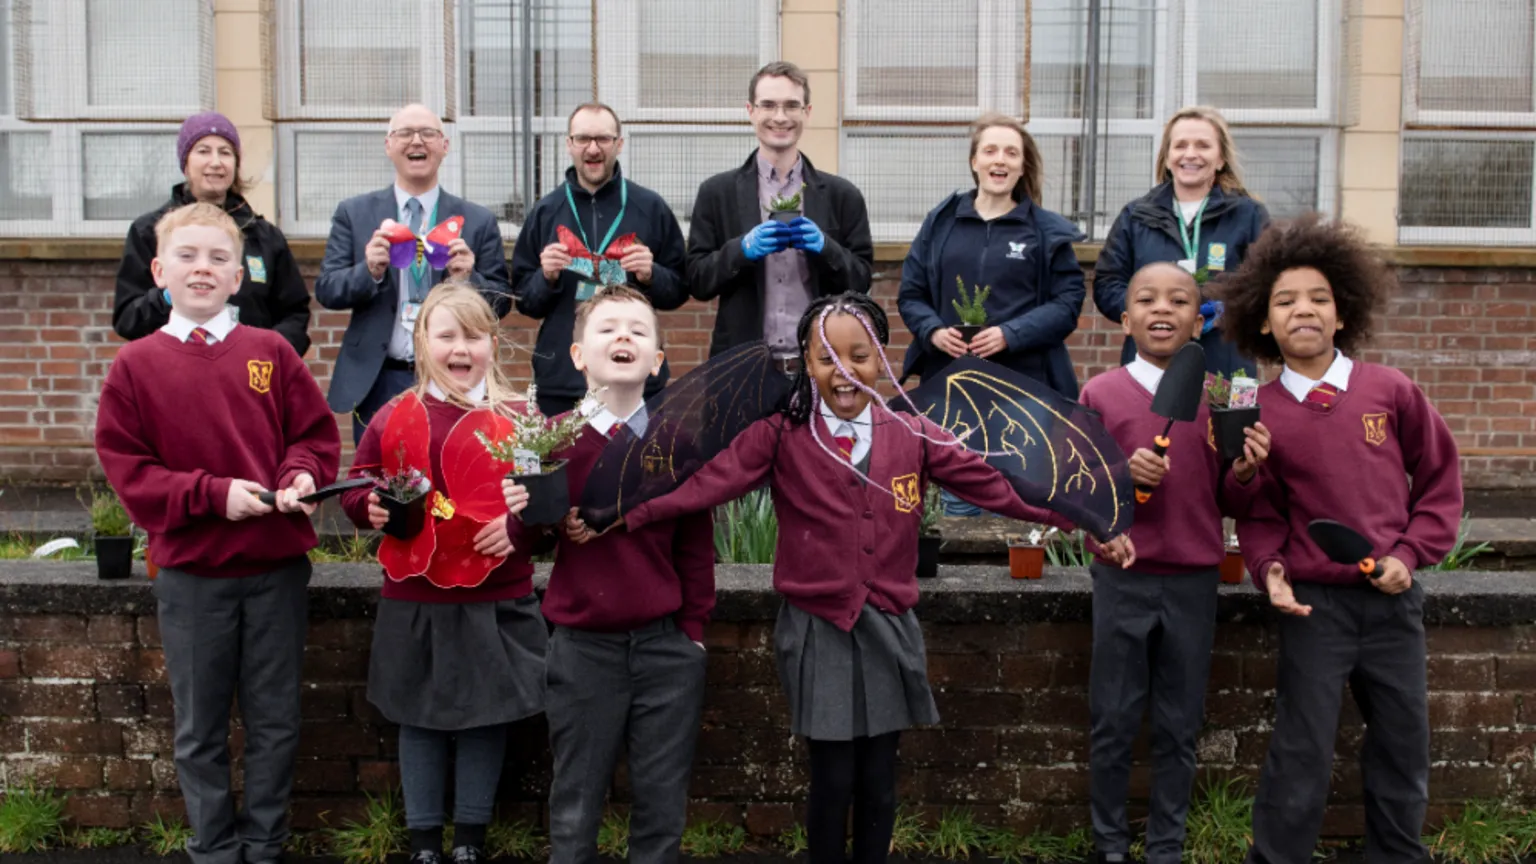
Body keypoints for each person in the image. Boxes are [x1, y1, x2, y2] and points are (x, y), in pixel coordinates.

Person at [572, 293, 1134, 864]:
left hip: (888, 624)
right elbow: (703, 484)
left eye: (859, 356)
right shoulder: (780, 433)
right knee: (833, 779)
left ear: (882, 357)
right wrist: (622, 511)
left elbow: (996, 484)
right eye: (825, 359)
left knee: (879, 780)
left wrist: (1086, 516)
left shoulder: (913, 432)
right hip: (819, 628)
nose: (843, 372)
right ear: (807, 364)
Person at [94, 202, 341, 864]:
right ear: (158, 270)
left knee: (275, 722)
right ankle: (213, 850)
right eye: (188, 256)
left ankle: (264, 847)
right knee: (200, 730)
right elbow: (132, 473)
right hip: (193, 578)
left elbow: (314, 439)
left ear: (239, 276)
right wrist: (212, 496)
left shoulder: (271, 353)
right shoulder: (135, 368)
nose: (202, 268)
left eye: (218, 259)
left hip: (274, 572)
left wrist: (298, 476)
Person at [1218, 215, 1463, 864]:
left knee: (1402, 742)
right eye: (1286, 300)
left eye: (1319, 298)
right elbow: (1259, 511)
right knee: (1301, 748)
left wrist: (1409, 558)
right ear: (1264, 323)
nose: (1304, 309)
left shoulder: (1391, 391)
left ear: (1343, 313)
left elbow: (1439, 482)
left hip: (1391, 605)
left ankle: (1397, 854)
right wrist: (1269, 568)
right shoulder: (1257, 411)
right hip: (1315, 610)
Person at [339, 282, 547, 864]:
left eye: (473, 336)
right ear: (422, 342)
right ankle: (425, 842)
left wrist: (519, 529)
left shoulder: (521, 418)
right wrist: (369, 508)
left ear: (492, 343)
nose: (461, 348)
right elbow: (359, 488)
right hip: (415, 593)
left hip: (495, 593)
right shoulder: (391, 416)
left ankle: (470, 842)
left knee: (487, 716)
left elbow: (547, 501)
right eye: (446, 334)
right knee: (419, 717)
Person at [510, 286, 713, 864]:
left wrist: (693, 633)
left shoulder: (678, 444)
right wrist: (526, 512)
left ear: (657, 361)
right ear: (578, 356)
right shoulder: (547, 441)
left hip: (665, 649)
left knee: (661, 800)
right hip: (582, 650)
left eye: (637, 331)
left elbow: (696, 547)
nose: (622, 336)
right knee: (575, 800)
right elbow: (524, 544)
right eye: (607, 329)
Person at [1078, 262, 1271, 864]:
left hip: (1193, 580)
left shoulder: (1228, 393)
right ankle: (1109, 843)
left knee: (1179, 724)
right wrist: (1119, 476)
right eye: (1146, 299)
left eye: (1179, 300)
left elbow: (1236, 499)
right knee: (1112, 718)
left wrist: (1244, 470)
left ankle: (1167, 845)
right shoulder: (1099, 394)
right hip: (1123, 577)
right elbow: (1077, 489)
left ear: (1200, 317)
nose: (1162, 310)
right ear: (1126, 315)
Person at [896, 113, 1086, 515]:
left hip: (1023, 392)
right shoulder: (941, 223)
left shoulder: (1045, 232)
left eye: (1011, 152)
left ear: (1022, 165)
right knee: (959, 501)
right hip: (953, 389)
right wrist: (932, 331)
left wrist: (1009, 334)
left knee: (1022, 500)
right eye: (991, 150)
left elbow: (1068, 304)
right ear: (974, 161)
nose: (1000, 160)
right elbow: (910, 293)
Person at [316, 103, 512, 443]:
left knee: (450, 474)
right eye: (405, 133)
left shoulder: (477, 220)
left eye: (428, 134)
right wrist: (370, 271)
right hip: (380, 377)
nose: (416, 141)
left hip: (453, 376)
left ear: (445, 146)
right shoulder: (354, 213)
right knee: (379, 482)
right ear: (388, 145)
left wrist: (468, 280)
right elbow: (328, 289)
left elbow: (502, 304)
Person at [686, 61, 874, 372]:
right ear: (751, 111)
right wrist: (740, 250)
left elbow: (862, 280)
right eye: (768, 105)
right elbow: (697, 279)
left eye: (791, 106)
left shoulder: (842, 195)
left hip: (820, 369)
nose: (780, 116)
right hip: (742, 371)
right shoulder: (716, 192)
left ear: (807, 112)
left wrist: (826, 248)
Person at [511, 103, 689, 417]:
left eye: (603, 139)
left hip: (635, 382)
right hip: (563, 383)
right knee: (565, 467)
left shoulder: (649, 207)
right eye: (583, 139)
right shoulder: (545, 211)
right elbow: (524, 300)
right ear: (569, 145)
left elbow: (680, 289)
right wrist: (546, 277)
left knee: (635, 466)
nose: (593, 149)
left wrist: (652, 274)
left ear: (619, 144)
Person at [114, 112, 312, 356]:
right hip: (173, 376)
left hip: (248, 379)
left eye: (225, 152)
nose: (216, 162)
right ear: (185, 162)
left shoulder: (264, 236)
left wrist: (268, 354)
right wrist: (169, 295)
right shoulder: (149, 231)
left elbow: (294, 314)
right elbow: (128, 320)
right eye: (204, 150)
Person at [1093, 106, 1269, 376]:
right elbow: (1107, 285)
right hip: (1148, 362)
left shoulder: (1249, 215)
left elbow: (1267, 286)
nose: (1190, 154)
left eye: (1203, 145)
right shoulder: (1135, 216)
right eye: (1180, 145)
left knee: (1219, 420)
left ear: (1221, 159)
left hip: (1224, 362)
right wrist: (1150, 310)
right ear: (1167, 157)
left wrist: (1226, 309)